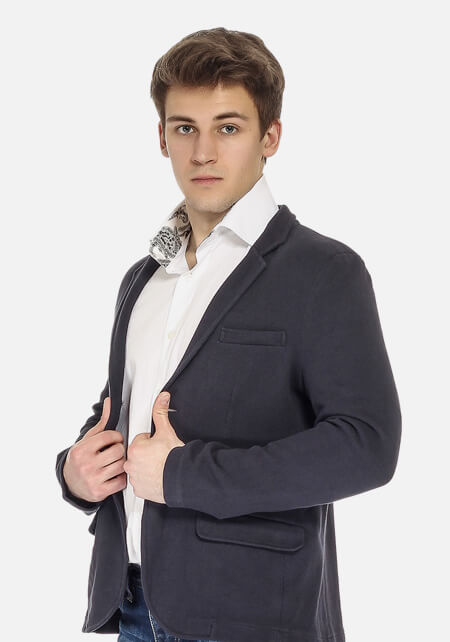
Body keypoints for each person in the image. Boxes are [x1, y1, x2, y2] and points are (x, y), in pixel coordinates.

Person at [56, 27, 402, 642]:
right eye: (185, 128)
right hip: (131, 604)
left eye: (229, 127)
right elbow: (124, 411)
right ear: (162, 138)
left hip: (252, 614)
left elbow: (366, 446)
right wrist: (75, 473)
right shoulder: (144, 276)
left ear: (270, 137)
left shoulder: (323, 271)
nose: (204, 152)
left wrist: (184, 475)